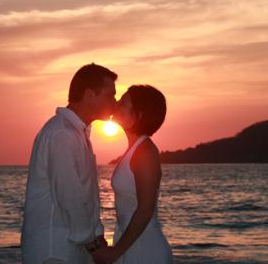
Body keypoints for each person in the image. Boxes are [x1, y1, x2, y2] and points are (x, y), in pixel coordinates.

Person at [21, 63, 118, 264]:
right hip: (55, 252)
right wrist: (91, 243)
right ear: (90, 95)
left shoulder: (75, 133)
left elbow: (85, 195)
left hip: (67, 251)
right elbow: (69, 195)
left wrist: (96, 235)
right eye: (110, 95)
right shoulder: (62, 134)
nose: (114, 103)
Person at [93, 85, 173, 264]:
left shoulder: (145, 153)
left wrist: (115, 253)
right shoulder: (134, 150)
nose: (116, 105)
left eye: (122, 103)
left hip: (145, 248)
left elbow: (145, 210)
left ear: (137, 115)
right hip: (131, 243)